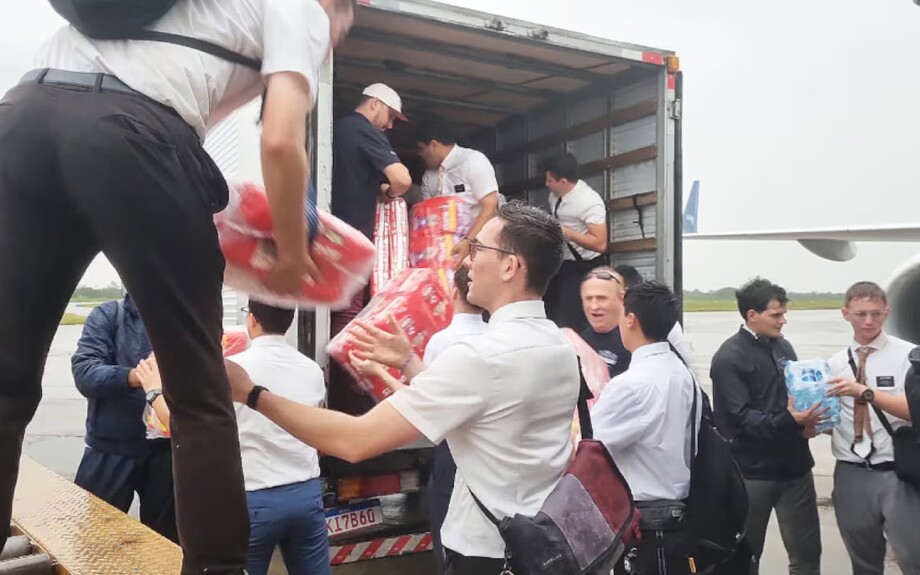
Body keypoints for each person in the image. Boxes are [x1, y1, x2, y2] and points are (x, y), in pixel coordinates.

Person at [0, 1, 357, 572]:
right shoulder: (301, 8)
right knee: (199, 392)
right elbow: (281, 141)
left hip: (20, 119)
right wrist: (292, 252)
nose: (343, 27)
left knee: (5, 381)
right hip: (129, 135)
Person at [225, 201, 579, 575]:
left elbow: (355, 441)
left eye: (477, 249)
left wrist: (253, 394)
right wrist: (410, 361)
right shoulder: (558, 344)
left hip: (488, 553)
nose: (467, 261)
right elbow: (483, 408)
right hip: (542, 541)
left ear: (510, 266)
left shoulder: (480, 356)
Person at [351, 267, 486, 575]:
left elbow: (426, 399)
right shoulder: (494, 336)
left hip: (452, 454)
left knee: (448, 538)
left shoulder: (443, 340)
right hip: (482, 452)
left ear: (453, 292)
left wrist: (379, 372)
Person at [710, 278, 825, 575]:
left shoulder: (783, 346)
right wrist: (790, 421)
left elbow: (798, 396)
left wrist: (809, 423)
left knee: (807, 554)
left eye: (783, 314)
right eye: (775, 315)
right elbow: (739, 418)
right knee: (746, 556)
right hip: (753, 474)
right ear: (752, 315)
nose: (782, 321)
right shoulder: (728, 357)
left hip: (795, 469)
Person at [591, 281, 700, 575]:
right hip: (678, 516)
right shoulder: (682, 373)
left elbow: (591, 448)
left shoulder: (631, 385)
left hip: (647, 525)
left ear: (630, 319)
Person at [825, 282, 920, 575]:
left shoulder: (910, 356)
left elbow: (913, 411)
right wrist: (806, 417)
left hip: (896, 472)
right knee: (863, 560)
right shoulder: (835, 363)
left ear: (887, 313)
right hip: (852, 471)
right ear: (845, 314)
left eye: (876, 314)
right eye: (861, 313)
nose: (868, 321)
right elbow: (832, 421)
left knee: (913, 556)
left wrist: (864, 391)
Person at [229, 301, 330, 575]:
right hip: (305, 494)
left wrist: (154, 391)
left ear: (251, 319)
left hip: (254, 498)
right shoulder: (311, 369)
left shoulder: (233, 370)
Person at [329, 82, 412, 416]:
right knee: (351, 314)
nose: (389, 126)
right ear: (374, 104)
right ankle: (350, 392)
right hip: (354, 238)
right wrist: (391, 194)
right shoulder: (362, 128)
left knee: (341, 311)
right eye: (389, 117)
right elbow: (403, 179)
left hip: (334, 233)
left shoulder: (339, 129)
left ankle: (340, 388)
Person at [71, 294, 177, 543]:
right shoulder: (108, 315)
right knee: (94, 538)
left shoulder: (179, 318)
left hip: (165, 450)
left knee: (165, 541)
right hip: (111, 448)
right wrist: (139, 376)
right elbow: (85, 373)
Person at [416, 118, 501, 263]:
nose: (420, 154)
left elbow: (491, 205)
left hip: (478, 247)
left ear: (433, 145)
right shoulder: (429, 176)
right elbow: (427, 217)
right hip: (441, 253)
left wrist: (469, 241)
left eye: (421, 148)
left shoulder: (473, 161)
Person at [540, 153, 607, 331]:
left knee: (569, 318)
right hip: (562, 263)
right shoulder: (554, 196)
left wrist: (566, 232)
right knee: (548, 308)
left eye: (549, 180)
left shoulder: (589, 202)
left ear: (563, 181)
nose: (546, 184)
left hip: (585, 266)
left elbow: (600, 244)